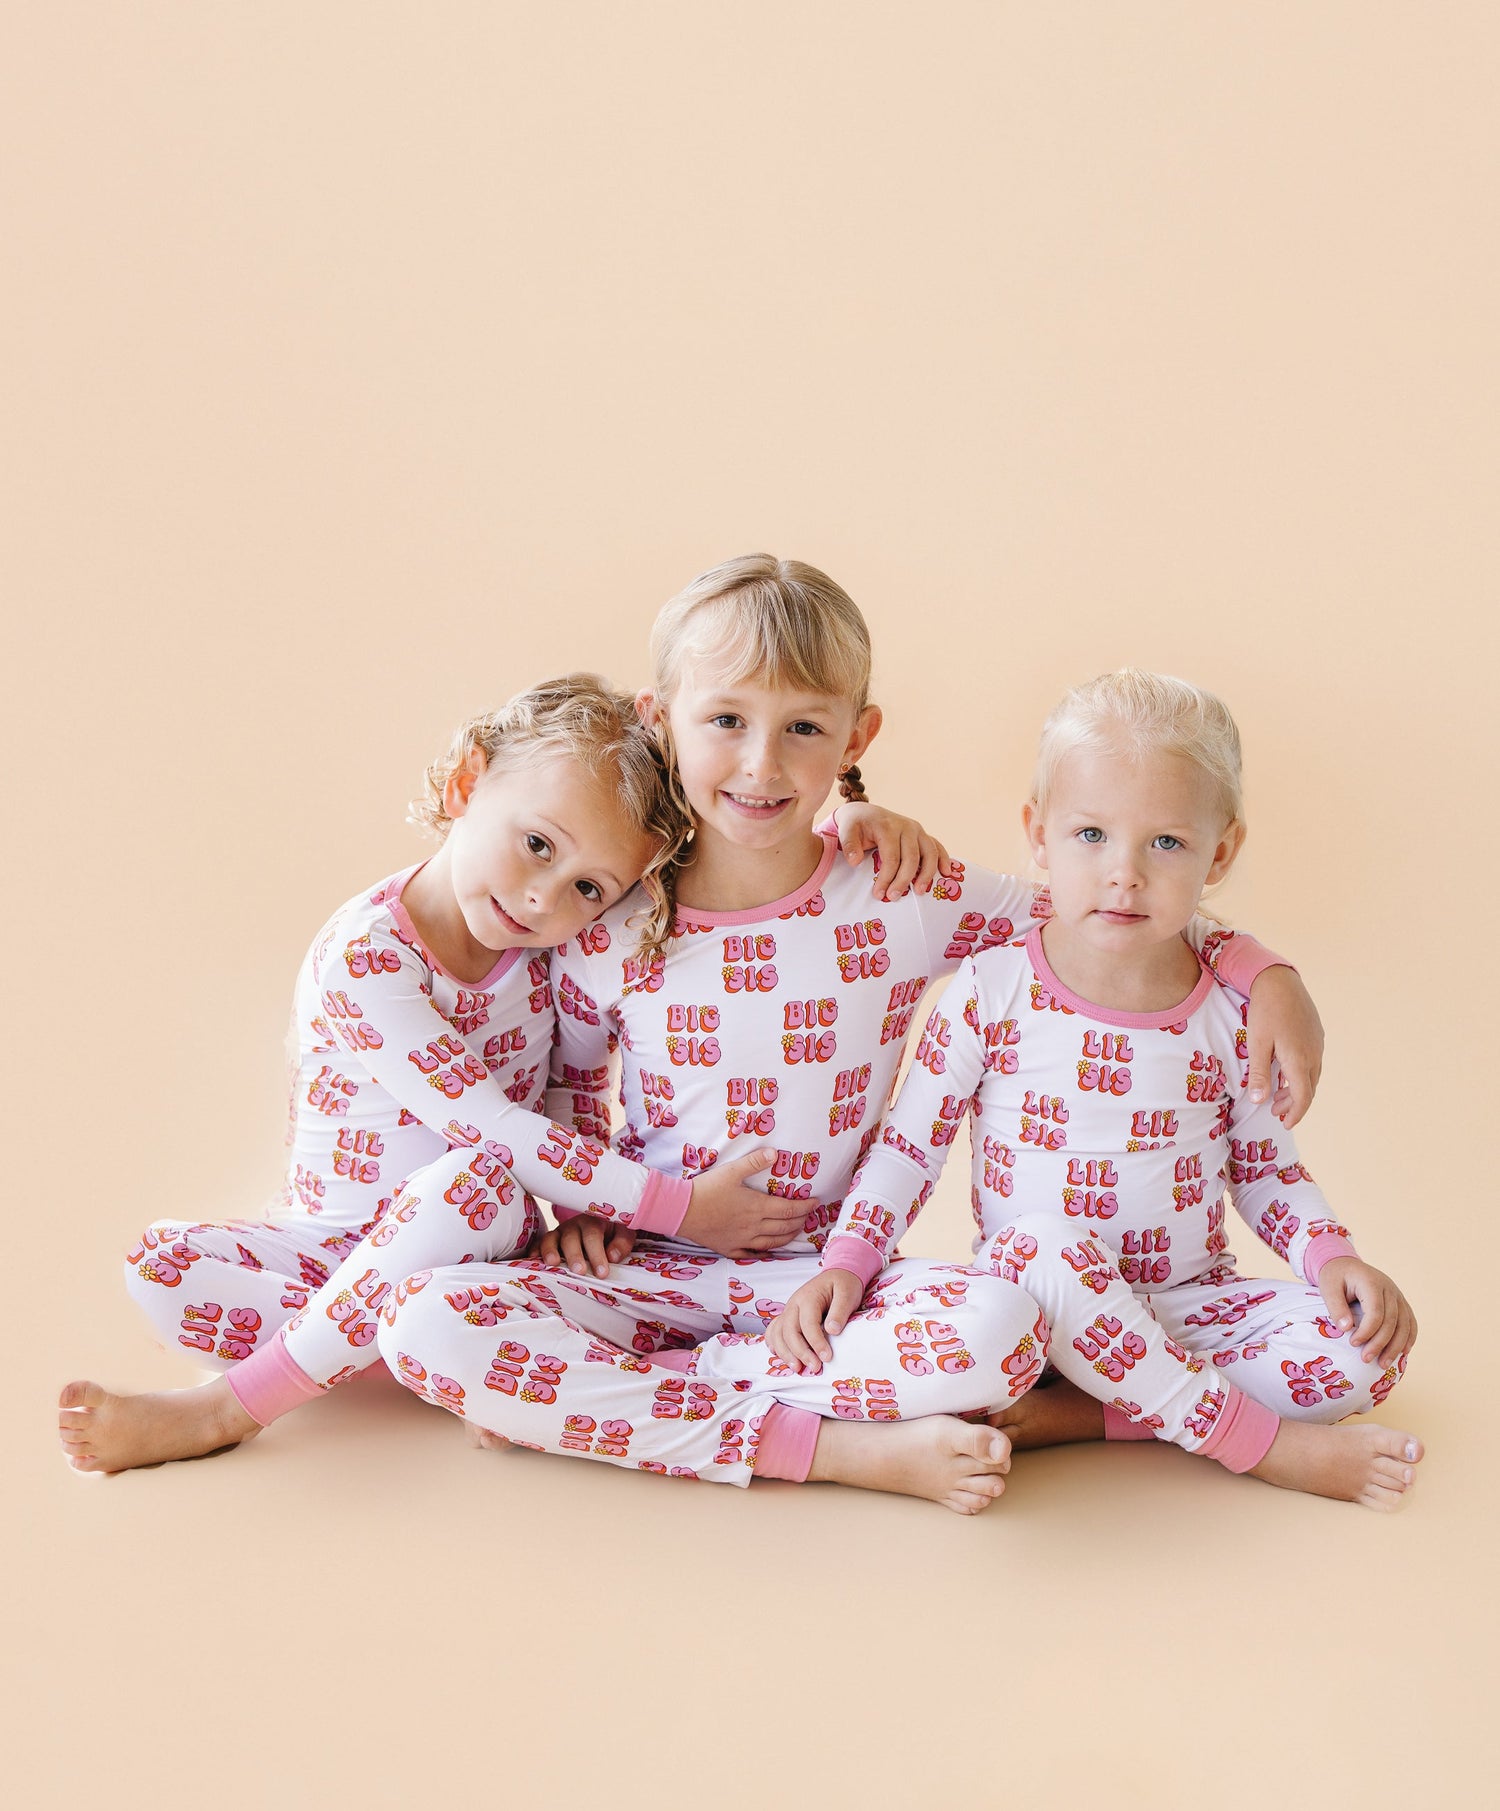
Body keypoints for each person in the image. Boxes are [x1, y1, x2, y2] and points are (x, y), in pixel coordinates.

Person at [374, 559, 1321, 1512]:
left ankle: (605, 1403)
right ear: (661, 719)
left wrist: (1259, 968)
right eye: (726, 719)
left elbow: (1086, 913)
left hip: (833, 1294)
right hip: (647, 1272)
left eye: (804, 729)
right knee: (423, 1320)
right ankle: (832, 1447)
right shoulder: (605, 914)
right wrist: (588, 1207)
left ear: (855, 738)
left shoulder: (901, 891)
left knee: (1002, 1329)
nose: (762, 764)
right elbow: (572, 1083)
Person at [770, 668, 1421, 1509]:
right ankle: (1259, 1445)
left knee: (1367, 1351)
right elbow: (906, 1153)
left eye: (1167, 843)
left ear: (1220, 853)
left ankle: (1089, 1414)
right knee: (1041, 1243)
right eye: (1090, 834)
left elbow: (1267, 1173)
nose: (1124, 873)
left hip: (1184, 1307)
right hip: (1035, 1305)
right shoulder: (990, 988)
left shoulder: (1231, 1011)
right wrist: (848, 1263)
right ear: (1038, 835)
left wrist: (1333, 1258)